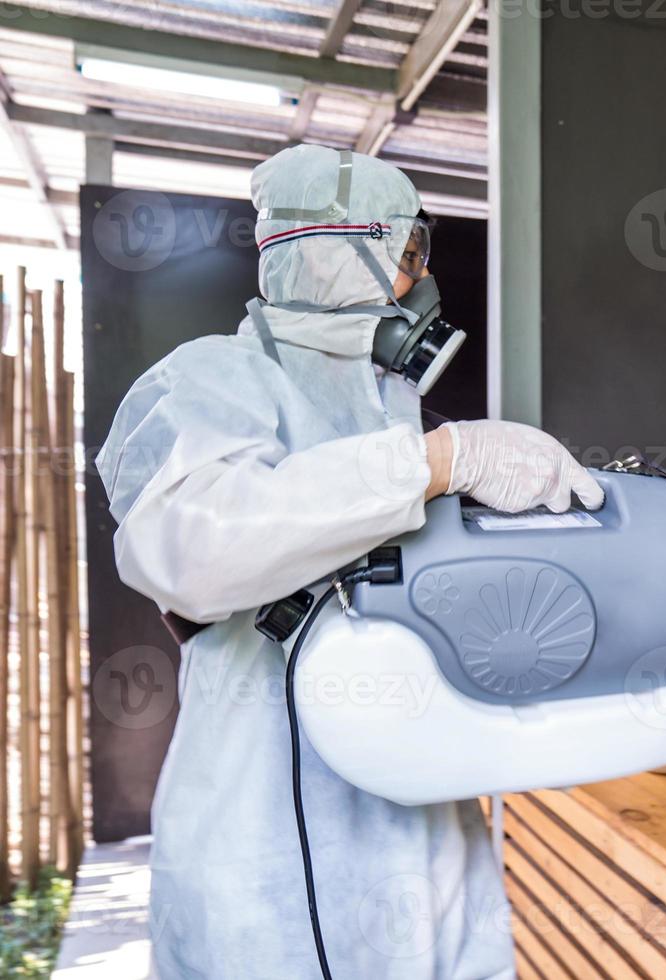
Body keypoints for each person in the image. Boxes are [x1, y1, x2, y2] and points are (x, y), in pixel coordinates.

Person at [97, 143, 602, 978]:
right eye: (406, 255)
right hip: (261, 850)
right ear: (336, 254)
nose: (418, 283)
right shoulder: (212, 382)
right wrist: (442, 463)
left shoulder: (390, 411)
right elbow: (190, 550)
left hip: (420, 829)